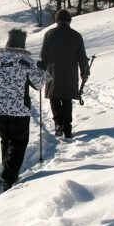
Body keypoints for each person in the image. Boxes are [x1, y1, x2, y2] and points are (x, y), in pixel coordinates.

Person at [0, 29, 47, 191]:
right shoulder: (26, 62)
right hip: (19, 110)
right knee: (18, 142)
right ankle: (8, 177)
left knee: (6, 140)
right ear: (22, 44)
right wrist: (43, 70)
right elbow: (38, 84)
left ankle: (7, 170)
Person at [40, 9, 90, 139]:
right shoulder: (76, 35)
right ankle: (67, 128)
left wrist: (42, 68)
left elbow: (43, 55)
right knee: (67, 100)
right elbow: (82, 57)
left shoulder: (49, 34)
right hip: (70, 74)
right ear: (69, 20)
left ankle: (58, 123)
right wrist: (85, 72)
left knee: (54, 98)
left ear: (56, 20)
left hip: (53, 73)